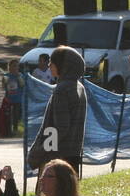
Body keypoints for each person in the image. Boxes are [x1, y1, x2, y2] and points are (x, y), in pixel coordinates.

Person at [28, 46, 88, 175]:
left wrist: (41, 151)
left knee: (52, 194)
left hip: (57, 157)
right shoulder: (79, 87)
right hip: (73, 153)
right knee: (69, 193)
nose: (49, 65)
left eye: (52, 62)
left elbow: (59, 128)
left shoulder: (62, 90)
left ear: (63, 66)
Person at [5, 58, 24, 132]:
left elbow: (22, 85)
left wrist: (18, 77)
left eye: (17, 66)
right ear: (9, 67)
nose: (15, 68)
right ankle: (8, 128)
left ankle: (15, 128)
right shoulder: (6, 76)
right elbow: (4, 85)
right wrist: (6, 79)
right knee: (9, 114)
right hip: (9, 98)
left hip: (18, 99)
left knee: (16, 114)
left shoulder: (20, 75)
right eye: (13, 66)